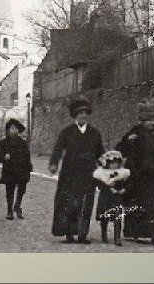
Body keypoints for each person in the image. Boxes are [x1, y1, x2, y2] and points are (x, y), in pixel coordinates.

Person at [116, 101, 154, 247]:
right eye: (148, 120)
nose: (151, 123)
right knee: (136, 204)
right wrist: (128, 142)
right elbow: (119, 149)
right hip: (137, 176)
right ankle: (135, 232)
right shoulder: (134, 132)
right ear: (142, 120)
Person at [49, 96, 105, 244]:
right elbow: (57, 149)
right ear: (75, 115)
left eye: (86, 113)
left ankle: (82, 234)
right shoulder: (67, 132)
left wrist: (107, 167)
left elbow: (100, 153)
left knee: (86, 204)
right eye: (80, 113)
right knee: (69, 203)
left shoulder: (94, 133)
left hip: (88, 174)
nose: (83, 115)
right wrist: (54, 163)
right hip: (70, 174)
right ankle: (69, 233)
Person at [0, 118, 33, 220]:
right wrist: (4, 157)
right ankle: (9, 210)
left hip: (22, 169)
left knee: (21, 189)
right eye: (12, 128)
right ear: (8, 130)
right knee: (10, 190)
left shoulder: (23, 143)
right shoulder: (3, 143)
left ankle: (17, 205)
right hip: (9, 170)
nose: (14, 131)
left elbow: (27, 156)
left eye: (16, 129)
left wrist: (29, 168)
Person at [93, 150, 130, 246]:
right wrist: (108, 188)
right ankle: (104, 234)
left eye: (117, 163)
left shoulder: (121, 173)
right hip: (106, 198)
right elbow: (99, 185)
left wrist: (123, 189)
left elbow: (125, 183)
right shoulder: (102, 173)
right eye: (112, 163)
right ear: (108, 164)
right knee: (104, 218)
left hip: (116, 199)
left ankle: (117, 237)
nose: (115, 165)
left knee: (117, 217)